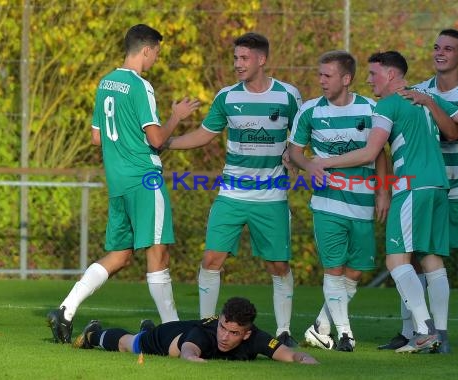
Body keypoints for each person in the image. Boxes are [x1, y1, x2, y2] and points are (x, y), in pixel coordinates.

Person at [307, 51, 458, 353]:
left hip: (411, 185)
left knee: (396, 259)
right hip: (439, 184)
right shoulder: (424, 96)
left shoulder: (387, 105)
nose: (369, 80)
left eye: (373, 74)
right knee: (431, 260)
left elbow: (370, 153)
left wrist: (325, 161)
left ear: (390, 74)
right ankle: (442, 335)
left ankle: (424, 330)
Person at [47, 24, 200, 344]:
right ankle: (173, 328)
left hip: (118, 182)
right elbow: (156, 139)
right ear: (146, 49)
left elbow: (95, 137)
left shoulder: (106, 82)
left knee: (119, 255)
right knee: (158, 252)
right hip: (144, 178)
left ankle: (66, 308)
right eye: (157, 52)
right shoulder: (140, 85)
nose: (157, 58)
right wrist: (177, 116)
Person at [166, 32, 302, 346]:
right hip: (231, 194)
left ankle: (284, 331)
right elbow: (203, 134)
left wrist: (294, 157)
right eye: (236, 58)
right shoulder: (227, 97)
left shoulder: (288, 95)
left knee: (278, 266)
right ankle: (205, 324)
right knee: (211, 259)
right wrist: (167, 143)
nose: (237, 64)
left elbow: (300, 137)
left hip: (271, 196)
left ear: (262, 59)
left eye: (244, 58)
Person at [378, 29, 458, 354]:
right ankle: (412, 331)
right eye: (437, 47)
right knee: (414, 258)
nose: (440, 53)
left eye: (449, 49)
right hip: (428, 183)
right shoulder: (418, 89)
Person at [287, 50, 390, 352]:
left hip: (362, 203)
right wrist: (309, 166)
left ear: (346, 79)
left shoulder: (371, 109)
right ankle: (345, 334)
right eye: (320, 74)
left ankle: (321, 325)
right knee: (333, 268)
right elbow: (295, 151)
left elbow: (381, 154)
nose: (321, 81)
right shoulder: (310, 110)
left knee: (355, 271)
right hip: (327, 203)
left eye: (327, 75)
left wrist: (383, 191)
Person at [72, 297, 318, 364]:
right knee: (130, 344)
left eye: (233, 333)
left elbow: (289, 354)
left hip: (185, 333)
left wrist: (306, 359)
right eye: (223, 327)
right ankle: (93, 335)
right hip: (170, 337)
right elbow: (189, 349)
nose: (224, 336)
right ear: (220, 319)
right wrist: (191, 358)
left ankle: (147, 327)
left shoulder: (257, 338)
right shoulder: (207, 334)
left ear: (246, 334)